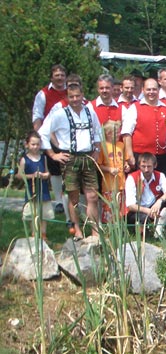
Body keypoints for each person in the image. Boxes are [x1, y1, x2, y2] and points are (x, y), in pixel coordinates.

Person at [39, 84, 102, 239]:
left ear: (82, 95)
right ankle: (77, 230)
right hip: (70, 158)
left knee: (93, 196)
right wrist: (53, 154)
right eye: (71, 96)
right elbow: (43, 132)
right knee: (73, 197)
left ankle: (95, 231)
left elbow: (98, 132)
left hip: (87, 157)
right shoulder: (60, 114)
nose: (75, 99)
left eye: (77, 96)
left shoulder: (90, 112)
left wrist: (97, 150)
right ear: (67, 97)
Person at [32, 64, 68, 221]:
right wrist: (39, 137)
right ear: (51, 77)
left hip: (67, 135)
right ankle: (59, 201)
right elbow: (37, 115)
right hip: (51, 135)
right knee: (55, 170)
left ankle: (68, 199)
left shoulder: (71, 91)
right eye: (57, 75)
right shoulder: (43, 94)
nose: (59, 78)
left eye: (62, 75)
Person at [122, 78, 166, 180]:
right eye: (148, 89)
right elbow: (126, 134)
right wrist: (130, 156)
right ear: (143, 90)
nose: (151, 92)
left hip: (164, 157)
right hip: (141, 158)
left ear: (159, 90)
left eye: (154, 89)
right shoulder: (134, 108)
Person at [124, 153, 166, 238]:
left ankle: (158, 229)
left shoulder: (160, 175)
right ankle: (142, 233)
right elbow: (131, 206)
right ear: (139, 165)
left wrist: (160, 201)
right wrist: (147, 211)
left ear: (155, 165)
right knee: (143, 218)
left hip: (153, 207)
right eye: (143, 166)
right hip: (137, 211)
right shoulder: (132, 178)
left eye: (149, 166)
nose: (146, 170)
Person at [18, 131, 53, 241]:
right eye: (33, 144)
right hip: (32, 191)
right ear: (27, 144)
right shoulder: (24, 159)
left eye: (37, 144)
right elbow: (19, 175)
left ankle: (43, 234)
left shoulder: (44, 158)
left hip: (44, 191)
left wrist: (44, 175)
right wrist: (32, 176)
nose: (35, 147)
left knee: (44, 213)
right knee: (33, 214)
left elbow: (48, 173)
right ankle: (34, 234)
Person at [97, 121, 130, 224]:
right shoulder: (103, 146)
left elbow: (125, 160)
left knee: (121, 207)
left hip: (121, 182)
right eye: (116, 132)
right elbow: (98, 164)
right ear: (108, 133)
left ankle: (120, 226)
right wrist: (109, 169)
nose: (119, 134)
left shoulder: (121, 145)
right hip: (109, 184)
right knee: (109, 208)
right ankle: (109, 228)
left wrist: (126, 165)